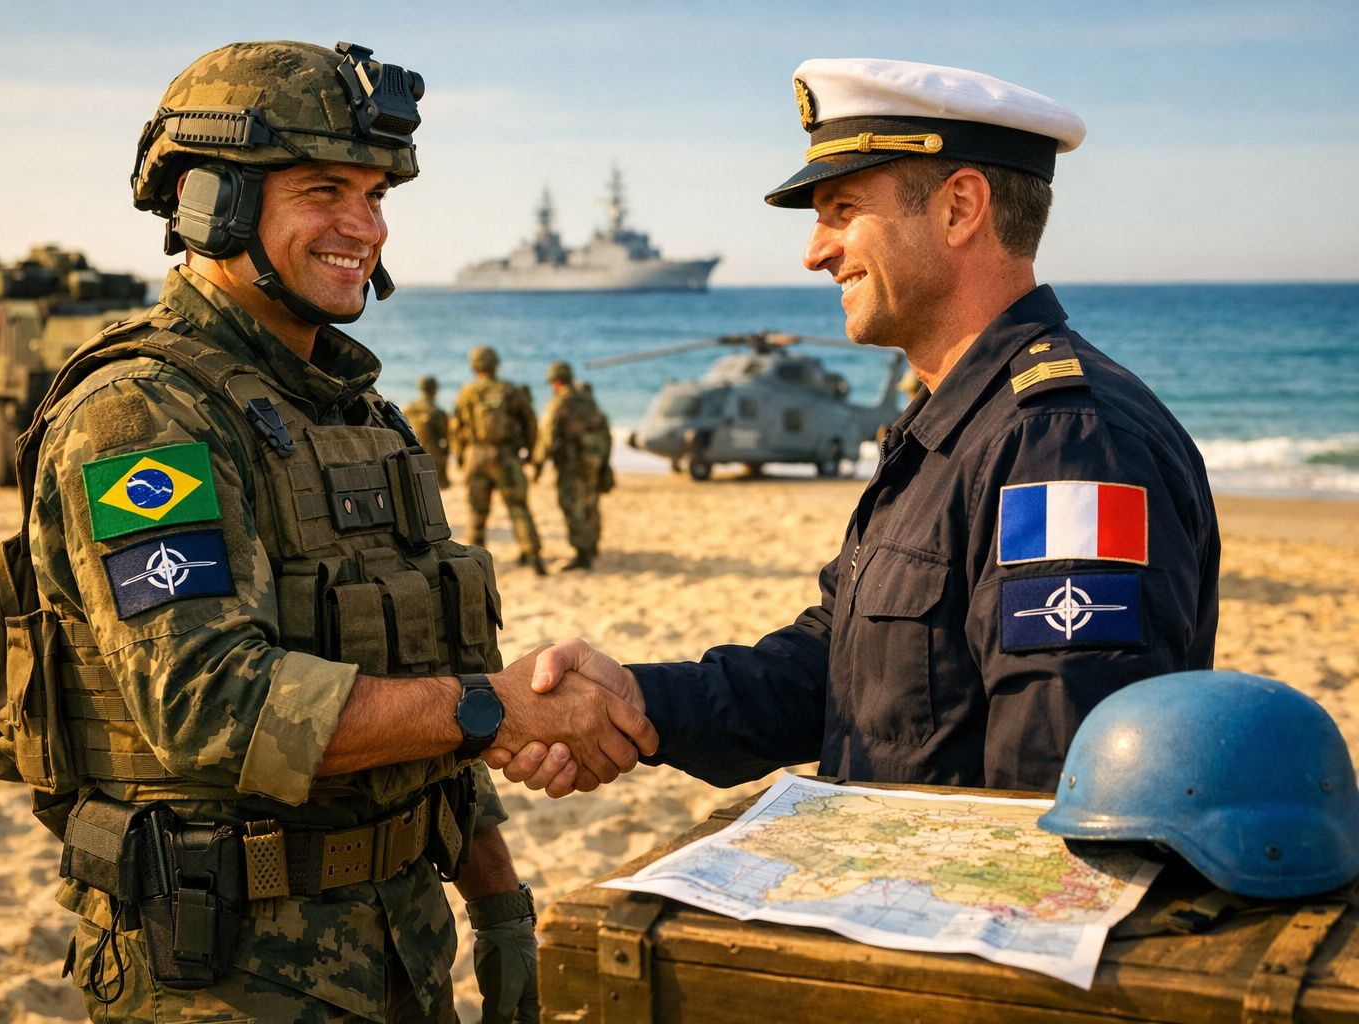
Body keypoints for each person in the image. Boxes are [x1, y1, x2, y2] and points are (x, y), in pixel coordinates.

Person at [2, 40, 654, 1023]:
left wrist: (501, 902)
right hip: (225, 974)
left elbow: (427, 678)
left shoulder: (354, 412)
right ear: (210, 201)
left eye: (375, 194)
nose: (364, 227)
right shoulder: (144, 411)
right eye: (323, 190)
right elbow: (209, 700)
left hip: (398, 948)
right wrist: (497, 709)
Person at [490, 57, 1219, 800]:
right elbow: (836, 666)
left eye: (842, 210)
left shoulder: (1060, 443)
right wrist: (637, 703)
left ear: (960, 208)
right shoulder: (952, 425)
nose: (814, 252)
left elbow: (1062, 779)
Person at [452, 346, 546, 576]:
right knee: (519, 508)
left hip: (477, 457)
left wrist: (461, 455)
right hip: (506, 457)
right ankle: (534, 558)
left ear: (475, 367)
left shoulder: (468, 392)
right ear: (496, 365)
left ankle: (475, 564)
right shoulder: (511, 390)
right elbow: (531, 423)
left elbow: (456, 426)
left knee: (477, 512)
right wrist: (531, 452)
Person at [532, 362, 612, 571]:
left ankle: (582, 554)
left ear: (556, 382)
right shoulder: (588, 400)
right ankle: (592, 546)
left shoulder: (560, 402)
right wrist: (604, 462)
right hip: (593, 461)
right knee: (590, 503)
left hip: (571, 464)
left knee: (572, 505)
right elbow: (604, 429)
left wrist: (538, 463)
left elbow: (547, 435)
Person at [402, 375, 452, 489]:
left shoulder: (408, 408)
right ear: (435, 390)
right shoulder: (437, 412)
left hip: (410, 452)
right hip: (431, 454)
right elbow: (445, 437)